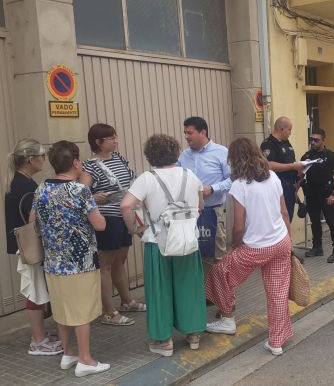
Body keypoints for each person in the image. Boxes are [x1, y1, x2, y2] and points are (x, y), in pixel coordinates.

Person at [120, 134, 206, 357]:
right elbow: (201, 205)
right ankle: (194, 334)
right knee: (190, 287)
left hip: (157, 241)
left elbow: (125, 206)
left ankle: (164, 341)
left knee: (160, 290)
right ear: (176, 153)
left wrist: (135, 229)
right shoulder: (190, 175)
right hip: (187, 240)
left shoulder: (147, 179)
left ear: (150, 155)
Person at [205, 138, 293, 356]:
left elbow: (238, 226)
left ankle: (227, 318)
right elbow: (284, 212)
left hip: (255, 247)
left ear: (234, 159)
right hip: (281, 241)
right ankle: (276, 342)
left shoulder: (239, 185)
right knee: (277, 293)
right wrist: (288, 240)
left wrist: (236, 246)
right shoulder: (272, 176)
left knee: (218, 273)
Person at [33, 140, 110, 376]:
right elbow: (100, 224)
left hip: (53, 262)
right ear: (75, 162)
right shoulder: (79, 190)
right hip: (80, 262)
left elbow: (32, 220)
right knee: (82, 312)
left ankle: (68, 353)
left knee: (63, 309)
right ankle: (85, 359)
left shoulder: (41, 188)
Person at [80, 124, 145, 327]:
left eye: (115, 137)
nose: (115, 141)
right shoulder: (89, 166)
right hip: (107, 219)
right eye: (111, 138)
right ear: (98, 142)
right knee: (105, 265)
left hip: (124, 216)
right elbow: (81, 194)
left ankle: (127, 301)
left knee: (120, 260)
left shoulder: (119, 158)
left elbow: (131, 182)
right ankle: (109, 311)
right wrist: (94, 198)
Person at [4, 138, 63, 356]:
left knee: (35, 290)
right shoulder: (27, 186)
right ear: (31, 159)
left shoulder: (17, 182)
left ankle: (40, 337)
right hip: (31, 248)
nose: (44, 160)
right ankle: (38, 341)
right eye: (41, 156)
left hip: (23, 247)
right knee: (35, 292)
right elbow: (35, 220)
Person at [178, 117, 231, 267]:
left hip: (213, 211)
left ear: (203, 132)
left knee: (217, 256)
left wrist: (213, 188)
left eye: (190, 133)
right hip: (189, 213)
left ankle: (220, 289)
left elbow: (233, 180)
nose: (186, 137)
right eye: (185, 133)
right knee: (194, 255)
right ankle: (200, 289)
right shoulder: (184, 155)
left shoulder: (221, 152)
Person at [300, 128, 334, 263]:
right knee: (315, 222)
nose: (313, 142)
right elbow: (300, 175)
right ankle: (317, 247)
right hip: (311, 193)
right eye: (311, 139)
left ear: (323, 141)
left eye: (316, 140)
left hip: (326, 194)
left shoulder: (331, 156)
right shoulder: (306, 156)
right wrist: (295, 192)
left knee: (332, 222)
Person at [260, 116, 304, 221]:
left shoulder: (286, 143)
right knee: (280, 220)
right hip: (277, 188)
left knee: (288, 218)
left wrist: (299, 169)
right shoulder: (268, 143)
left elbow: (290, 162)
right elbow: (269, 165)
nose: (290, 133)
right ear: (282, 129)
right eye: (289, 130)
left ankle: (287, 238)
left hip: (290, 188)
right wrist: (292, 166)